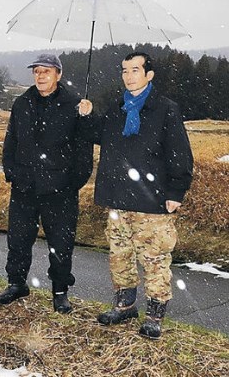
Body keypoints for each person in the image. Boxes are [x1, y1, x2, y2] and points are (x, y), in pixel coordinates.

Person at [78, 51, 193, 339]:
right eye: (124, 70)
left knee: (154, 259)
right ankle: (125, 305)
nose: (128, 76)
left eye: (135, 70)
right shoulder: (117, 108)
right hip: (118, 198)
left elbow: (180, 154)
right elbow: (97, 136)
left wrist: (176, 191)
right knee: (120, 255)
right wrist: (87, 115)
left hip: (152, 200)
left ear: (149, 74)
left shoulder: (165, 109)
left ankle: (154, 315)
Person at [0, 54, 93, 313]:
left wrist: (72, 184)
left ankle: (60, 292)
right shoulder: (22, 103)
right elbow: (10, 141)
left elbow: (84, 152)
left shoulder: (75, 105)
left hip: (60, 191)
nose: (40, 76)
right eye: (37, 71)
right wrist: (12, 173)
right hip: (24, 187)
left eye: (46, 71)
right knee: (18, 239)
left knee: (60, 244)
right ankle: (16, 284)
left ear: (58, 75)